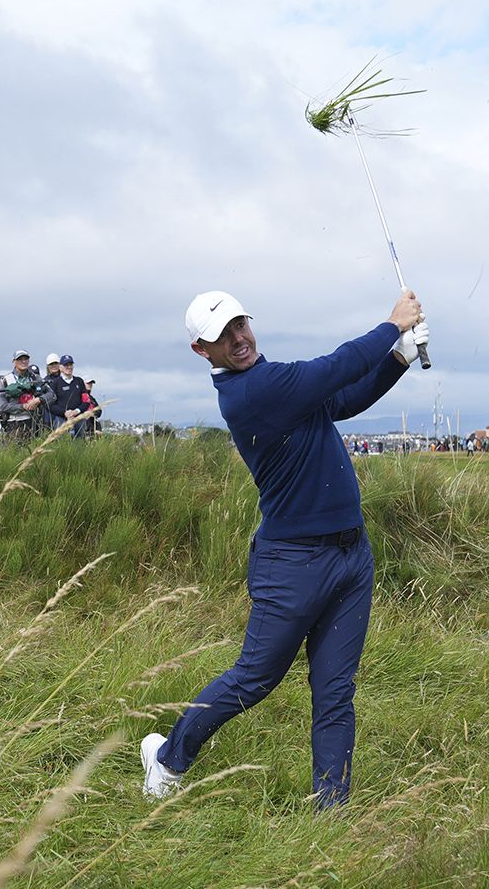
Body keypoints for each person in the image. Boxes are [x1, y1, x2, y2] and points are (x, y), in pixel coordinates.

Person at [140, 288, 428, 808]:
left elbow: (343, 398)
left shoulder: (274, 382)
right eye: (220, 338)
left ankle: (331, 807)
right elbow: (334, 368)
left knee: (336, 689)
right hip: (292, 563)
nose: (237, 340)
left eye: (239, 326)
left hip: (350, 555)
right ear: (201, 352)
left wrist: (399, 359)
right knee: (254, 679)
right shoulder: (252, 392)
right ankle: (166, 758)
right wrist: (392, 326)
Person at [0, 350, 47, 441]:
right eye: (19, 359)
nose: (23, 361)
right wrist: (23, 406)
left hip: (33, 422)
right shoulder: (5, 380)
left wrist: (38, 400)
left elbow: (52, 395)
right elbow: (3, 406)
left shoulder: (35, 378)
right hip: (12, 423)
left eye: (25, 359)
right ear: (14, 361)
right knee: (13, 453)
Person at [46, 354, 92, 438]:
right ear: (60, 367)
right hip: (61, 418)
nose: (69, 367)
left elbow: (86, 401)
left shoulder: (79, 381)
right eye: (66, 365)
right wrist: (65, 413)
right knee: (62, 442)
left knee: (80, 442)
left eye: (70, 365)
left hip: (78, 417)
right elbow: (50, 405)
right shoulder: (55, 383)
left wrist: (76, 411)